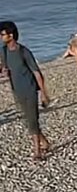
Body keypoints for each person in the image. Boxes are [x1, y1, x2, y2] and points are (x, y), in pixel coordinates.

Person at [0, 21, 50, 161]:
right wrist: (4, 71)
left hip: (30, 89)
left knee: (33, 119)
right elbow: (4, 67)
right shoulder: (3, 50)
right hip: (17, 91)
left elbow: (37, 73)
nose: (1, 37)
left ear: (11, 35)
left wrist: (44, 94)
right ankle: (45, 142)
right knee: (28, 120)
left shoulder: (24, 51)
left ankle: (37, 151)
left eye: (2, 34)